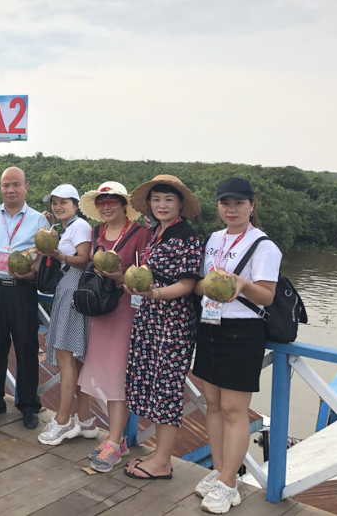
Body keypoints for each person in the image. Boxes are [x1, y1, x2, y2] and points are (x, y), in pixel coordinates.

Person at [192, 177, 281, 514]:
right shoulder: (213, 239)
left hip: (243, 331)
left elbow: (267, 296)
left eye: (239, 203)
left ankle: (230, 484)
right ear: (218, 206)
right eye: (225, 203)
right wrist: (208, 285)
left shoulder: (264, 246)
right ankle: (219, 472)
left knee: (234, 410)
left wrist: (241, 284)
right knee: (213, 405)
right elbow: (199, 285)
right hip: (210, 325)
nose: (232, 209)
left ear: (252, 205)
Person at [116, 175, 202, 481]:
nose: (161, 205)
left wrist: (154, 294)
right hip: (150, 317)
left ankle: (163, 461)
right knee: (151, 384)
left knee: (167, 389)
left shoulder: (187, 237)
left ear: (180, 204)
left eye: (168, 199)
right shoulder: (158, 233)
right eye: (156, 199)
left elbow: (187, 284)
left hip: (173, 322)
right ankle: (157, 453)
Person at [77, 182, 152, 472]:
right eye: (101, 201)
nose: (106, 206)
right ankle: (116, 439)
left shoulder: (140, 234)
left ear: (124, 205)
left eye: (112, 201)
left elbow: (146, 277)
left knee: (119, 377)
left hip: (125, 313)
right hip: (101, 313)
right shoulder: (96, 232)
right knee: (106, 376)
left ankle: (114, 440)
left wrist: (121, 276)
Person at [0, 166, 50, 429]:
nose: (10, 190)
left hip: (22, 289)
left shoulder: (39, 220)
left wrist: (33, 273)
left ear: (26, 187)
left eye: (16, 184)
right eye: (5, 185)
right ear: (0, 188)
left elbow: (44, 257)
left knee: (26, 347)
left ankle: (28, 404)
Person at [36, 185, 94, 446]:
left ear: (76, 204)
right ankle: (86, 420)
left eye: (64, 202)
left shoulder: (80, 226)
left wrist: (60, 256)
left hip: (73, 291)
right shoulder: (67, 227)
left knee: (65, 357)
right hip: (68, 291)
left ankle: (62, 420)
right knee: (76, 361)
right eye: (55, 203)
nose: (58, 206)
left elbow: (85, 259)